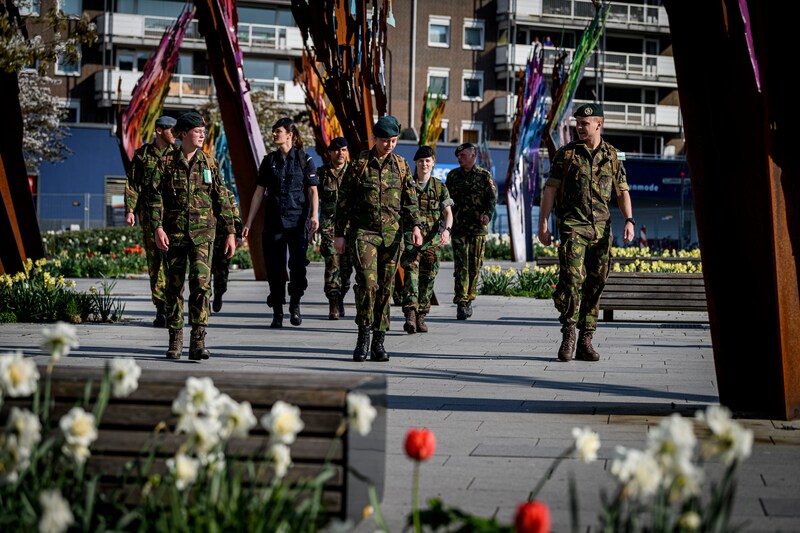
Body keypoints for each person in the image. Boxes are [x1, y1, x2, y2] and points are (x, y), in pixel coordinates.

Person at [537, 103, 635, 362]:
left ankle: (586, 339)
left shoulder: (612, 155)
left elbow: (622, 190)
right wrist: (543, 223)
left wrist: (629, 220)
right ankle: (569, 333)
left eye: (584, 124)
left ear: (598, 125)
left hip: (601, 230)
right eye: (577, 123)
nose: (579, 127)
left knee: (596, 283)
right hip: (573, 226)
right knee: (571, 279)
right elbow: (550, 190)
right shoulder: (566, 155)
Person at [334, 116, 422, 362]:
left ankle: (379, 342)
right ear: (374, 139)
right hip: (364, 233)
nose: (389, 145)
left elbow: (410, 200)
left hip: (392, 237)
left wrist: (416, 226)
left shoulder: (401, 165)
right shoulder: (360, 164)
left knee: (385, 288)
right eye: (385, 140)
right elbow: (344, 201)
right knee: (367, 284)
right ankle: (363, 337)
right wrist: (339, 234)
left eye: (393, 140)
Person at [151, 111, 237, 361]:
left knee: (201, 285)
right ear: (184, 134)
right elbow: (155, 198)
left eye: (203, 131)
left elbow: (221, 197)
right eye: (197, 131)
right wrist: (157, 228)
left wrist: (230, 232)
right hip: (174, 235)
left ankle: (198, 340)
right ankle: (175, 338)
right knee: (174, 287)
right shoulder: (166, 163)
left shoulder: (209, 162)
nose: (202, 135)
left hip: (203, 235)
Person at [242, 117, 319, 328]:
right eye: (274, 131)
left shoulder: (305, 160)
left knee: (298, 267)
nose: (274, 134)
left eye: (278, 131)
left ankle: (295, 305)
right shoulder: (269, 161)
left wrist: (314, 216)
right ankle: (277, 311)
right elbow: (259, 193)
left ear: (289, 135)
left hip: (297, 223)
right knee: (274, 269)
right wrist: (248, 222)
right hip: (274, 224)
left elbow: (313, 191)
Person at [124, 115, 176, 327]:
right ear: (159, 130)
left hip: (173, 216)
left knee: (174, 262)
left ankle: (175, 305)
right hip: (150, 218)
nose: (176, 134)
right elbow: (132, 183)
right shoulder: (143, 155)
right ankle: (161, 308)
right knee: (155, 262)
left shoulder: (178, 154)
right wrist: (130, 210)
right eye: (172, 130)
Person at [400, 145, 453, 334]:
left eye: (427, 161)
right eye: (421, 161)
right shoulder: (408, 186)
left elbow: (448, 213)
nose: (424, 164)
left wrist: (447, 231)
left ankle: (421, 315)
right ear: (416, 162)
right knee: (411, 277)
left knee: (428, 278)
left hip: (432, 241)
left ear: (433, 163)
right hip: (411, 240)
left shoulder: (439, 187)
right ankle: (410, 315)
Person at [446, 142, 497, 320]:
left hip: (477, 228)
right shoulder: (453, 176)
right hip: (459, 227)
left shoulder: (484, 176)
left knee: (474, 266)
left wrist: (487, 215)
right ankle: (461, 302)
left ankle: (469, 298)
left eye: (462, 156)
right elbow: (446, 200)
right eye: (458, 156)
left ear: (472, 156)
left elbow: (492, 198)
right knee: (461, 265)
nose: (459, 159)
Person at [317, 136, 354, 320]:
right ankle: (333, 302)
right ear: (330, 152)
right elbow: (313, 198)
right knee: (332, 264)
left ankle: (340, 298)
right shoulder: (322, 173)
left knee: (346, 269)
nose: (340, 153)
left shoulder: (353, 172)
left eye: (344, 150)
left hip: (349, 228)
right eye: (337, 150)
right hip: (329, 227)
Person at [210, 185, 243, 313]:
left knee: (221, 274)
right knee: (202, 275)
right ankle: (203, 303)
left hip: (222, 241)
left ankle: (218, 294)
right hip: (203, 238)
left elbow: (235, 215)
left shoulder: (226, 193)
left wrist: (238, 235)